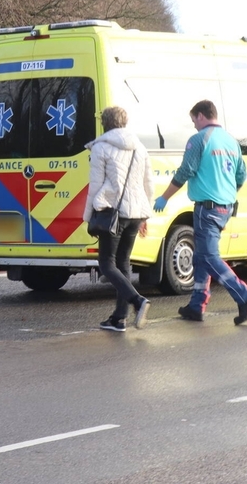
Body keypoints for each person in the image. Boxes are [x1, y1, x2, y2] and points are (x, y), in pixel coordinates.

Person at [153, 99, 247, 325]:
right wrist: (227, 192)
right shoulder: (231, 141)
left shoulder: (199, 139)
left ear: (201, 115)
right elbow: (241, 175)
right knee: (201, 256)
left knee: (210, 257)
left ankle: (245, 296)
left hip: (207, 208)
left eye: (193, 119)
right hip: (225, 206)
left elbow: (186, 171)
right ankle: (196, 305)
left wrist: (165, 196)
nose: (193, 124)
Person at [84, 106, 154, 332]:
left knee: (106, 263)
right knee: (123, 263)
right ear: (124, 123)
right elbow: (148, 184)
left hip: (113, 212)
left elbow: (95, 187)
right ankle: (119, 318)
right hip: (136, 213)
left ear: (104, 123)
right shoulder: (140, 148)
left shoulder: (100, 147)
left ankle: (137, 301)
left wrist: (88, 216)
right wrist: (146, 216)